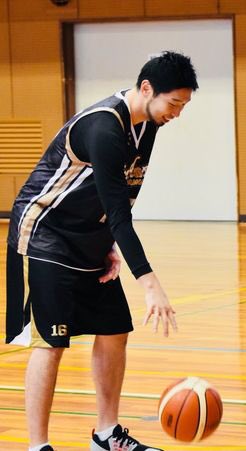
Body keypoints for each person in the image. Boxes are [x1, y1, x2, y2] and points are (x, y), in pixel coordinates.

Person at [5, 51, 198, 451]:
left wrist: (107, 242)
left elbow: (124, 195)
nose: (177, 113)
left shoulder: (149, 126)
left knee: (113, 330)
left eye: (183, 105)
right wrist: (150, 284)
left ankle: (106, 434)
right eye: (174, 103)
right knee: (52, 341)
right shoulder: (104, 127)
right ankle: (38, 446)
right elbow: (119, 212)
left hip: (87, 236)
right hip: (45, 234)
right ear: (147, 88)